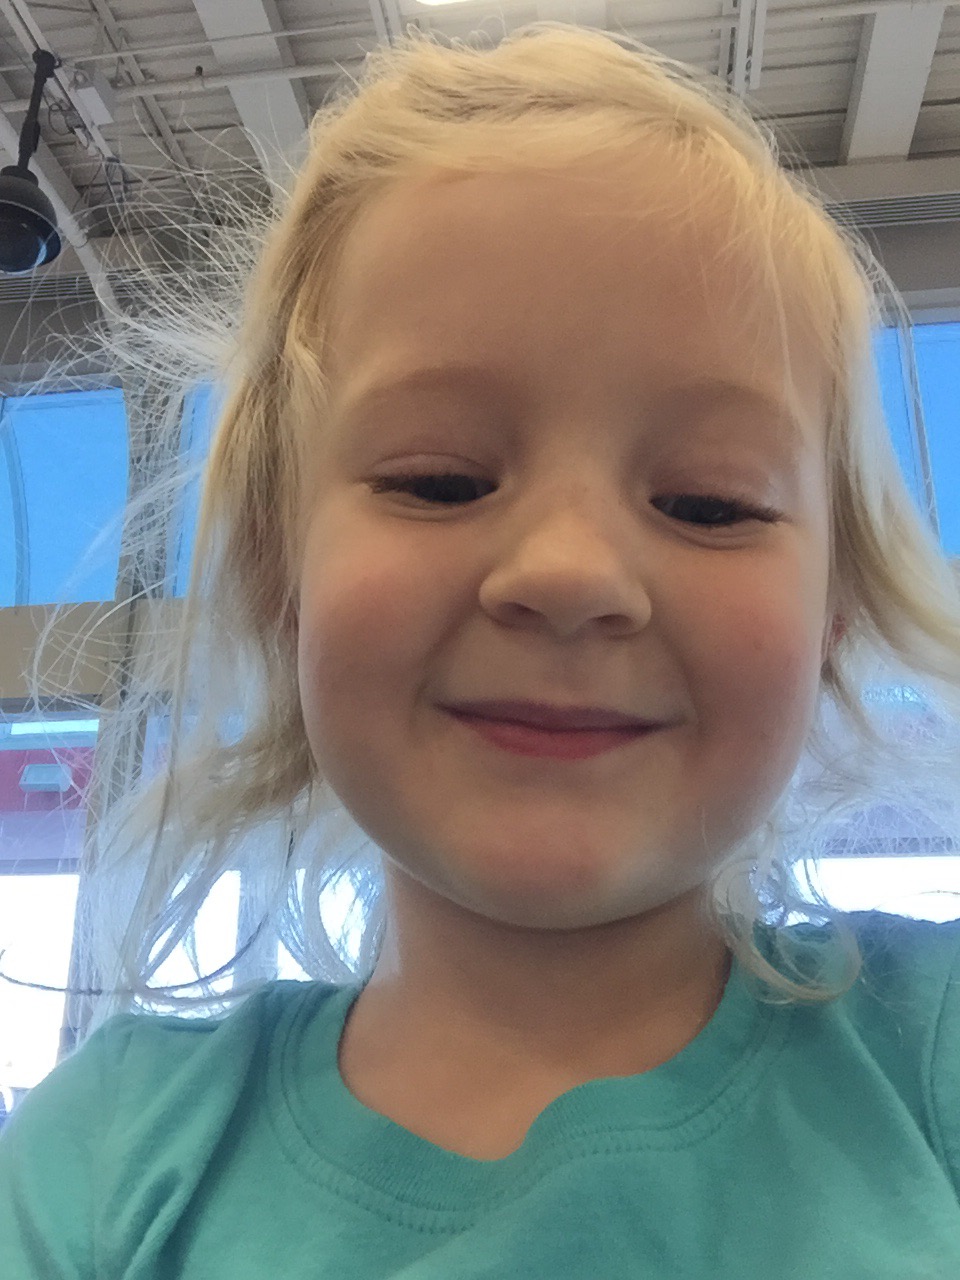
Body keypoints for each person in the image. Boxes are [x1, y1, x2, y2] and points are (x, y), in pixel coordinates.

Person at [2, 22, 959, 1278]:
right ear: (282, 578)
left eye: (709, 502)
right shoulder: (99, 1161)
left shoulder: (931, 1056)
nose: (570, 575)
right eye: (440, 480)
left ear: (833, 613)